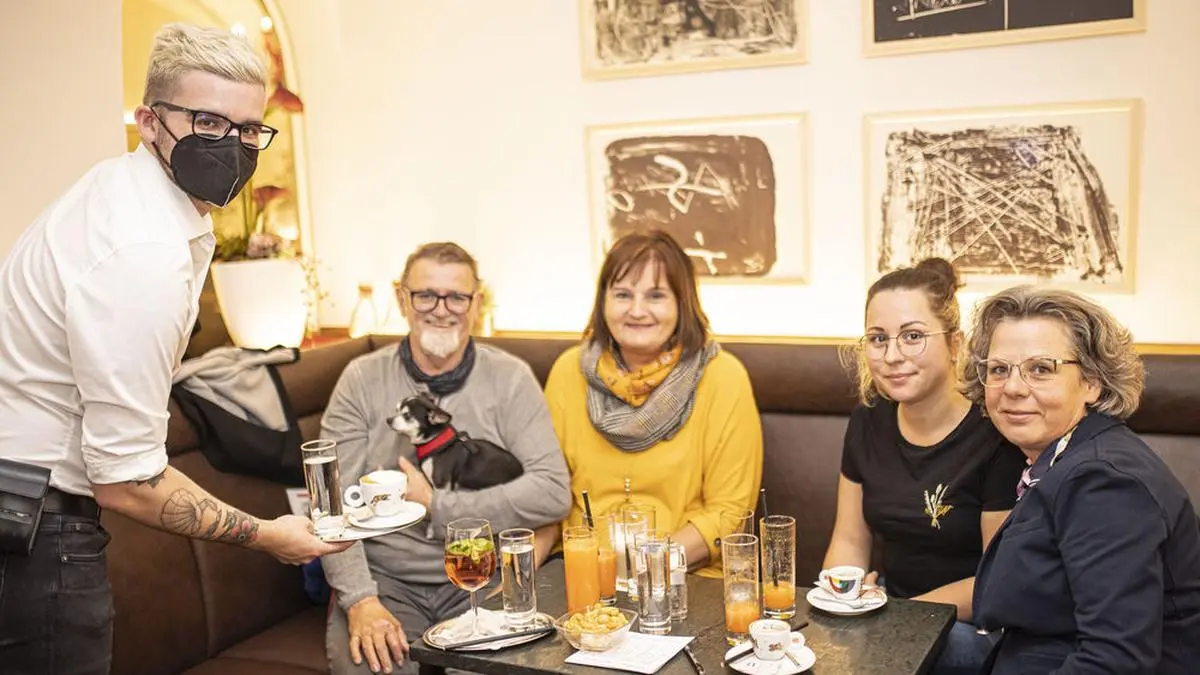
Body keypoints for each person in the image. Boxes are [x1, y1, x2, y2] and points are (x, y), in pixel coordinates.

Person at [0, 23, 347, 674]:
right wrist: (271, 536)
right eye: (208, 122)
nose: (232, 146)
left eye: (249, 129)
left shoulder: (131, 194)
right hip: (34, 529)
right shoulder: (141, 249)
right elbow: (129, 484)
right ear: (149, 121)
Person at [321, 242, 572, 675]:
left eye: (457, 296)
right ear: (402, 299)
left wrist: (439, 507)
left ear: (477, 302)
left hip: (487, 578)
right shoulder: (362, 379)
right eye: (426, 295)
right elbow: (330, 504)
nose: (442, 309)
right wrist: (360, 600)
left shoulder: (509, 379)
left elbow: (552, 492)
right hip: (387, 583)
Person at [966, 285, 1200, 674]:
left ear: (1092, 382)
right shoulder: (1066, 456)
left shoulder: (1103, 482)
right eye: (999, 369)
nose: (1012, 387)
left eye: (1041, 369)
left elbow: (1115, 661)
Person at [822, 258, 1025, 675]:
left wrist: (895, 616)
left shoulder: (994, 434)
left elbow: (995, 582)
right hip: (888, 611)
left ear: (955, 344)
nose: (892, 355)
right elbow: (849, 540)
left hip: (973, 627)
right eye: (878, 339)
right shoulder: (868, 419)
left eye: (913, 336)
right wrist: (840, 601)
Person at [539, 230, 763, 577]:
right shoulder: (569, 371)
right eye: (623, 295)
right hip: (581, 575)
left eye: (656, 296)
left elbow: (730, 512)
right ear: (603, 303)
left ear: (682, 303)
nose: (637, 311)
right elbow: (548, 496)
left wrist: (644, 567)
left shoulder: (722, 377)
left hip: (687, 577)